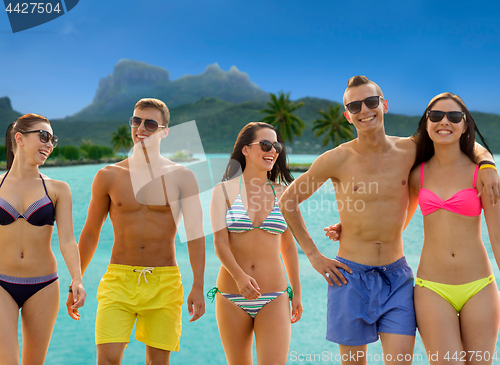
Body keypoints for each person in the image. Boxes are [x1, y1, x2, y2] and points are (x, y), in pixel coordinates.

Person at [279, 76, 500, 365]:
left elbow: (455, 135)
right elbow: (288, 201)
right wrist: (313, 255)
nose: (364, 110)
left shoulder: (410, 151)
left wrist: (487, 163)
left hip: (397, 277)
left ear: (384, 105)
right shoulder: (335, 159)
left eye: (371, 102)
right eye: (354, 105)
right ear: (347, 115)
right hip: (349, 275)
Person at [67, 98, 205, 365]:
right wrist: (77, 279)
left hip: (164, 282)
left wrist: (198, 285)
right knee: (106, 360)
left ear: (165, 131)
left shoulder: (183, 176)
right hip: (118, 280)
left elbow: (195, 235)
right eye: (136, 121)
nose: (140, 128)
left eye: (150, 124)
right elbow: (91, 232)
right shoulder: (109, 175)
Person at [406, 93, 500, 363]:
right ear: (426, 124)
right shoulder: (416, 175)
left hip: (479, 286)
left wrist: (487, 162)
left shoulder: (482, 174)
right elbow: (395, 223)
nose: (444, 121)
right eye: (435, 116)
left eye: (454, 116)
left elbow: (497, 235)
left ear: (465, 125)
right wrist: (352, 227)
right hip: (432, 288)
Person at [209, 122, 302, 365]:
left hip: (275, 295)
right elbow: (220, 243)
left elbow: (289, 247)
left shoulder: (284, 193)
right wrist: (240, 277)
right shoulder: (223, 191)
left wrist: (297, 293)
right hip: (231, 294)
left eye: (276, 146)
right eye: (265, 144)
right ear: (246, 150)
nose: (273, 150)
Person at [0, 113, 86, 365]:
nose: (49, 144)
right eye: (44, 136)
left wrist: (77, 279)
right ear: (20, 138)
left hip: (44, 286)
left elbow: (68, 240)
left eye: (53, 139)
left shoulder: (59, 189)